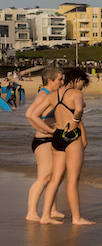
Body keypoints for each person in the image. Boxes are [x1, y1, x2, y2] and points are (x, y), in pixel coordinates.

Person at [42, 67, 95, 224]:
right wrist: (75, 121)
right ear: (77, 80)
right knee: (72, 181)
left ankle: (45, 216)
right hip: (71, 136)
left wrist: (45, 128)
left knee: (55, 179)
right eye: (82, 84)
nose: (81, 88)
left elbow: (34, 114)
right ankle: (77, 218)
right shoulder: (76, 93)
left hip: (57, 135)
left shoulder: (53, 95)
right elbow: (78, 108)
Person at [24, 66, 65, 222]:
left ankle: (52, 209)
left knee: (54, 176)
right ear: (50, 80)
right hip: (43, 140)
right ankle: (32, 213)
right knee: (44, 177)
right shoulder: (44, 94)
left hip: (48, 139)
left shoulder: (50, 94)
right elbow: (31, 114)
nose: (62, 82)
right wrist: (48, 130)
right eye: (60, 79)